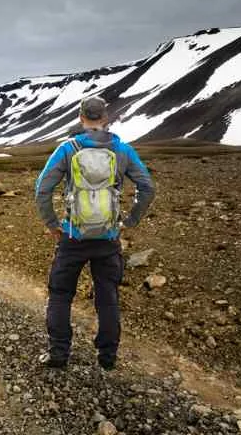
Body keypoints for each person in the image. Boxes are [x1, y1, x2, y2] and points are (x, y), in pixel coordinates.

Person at [34, 96, 155, 370]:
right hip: (108, 238)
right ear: (106, 118)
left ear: (81, 118)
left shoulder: (67, 149)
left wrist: (52, 224)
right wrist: (130, 220)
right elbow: (147, 188)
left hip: (72, 237)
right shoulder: (122, 150)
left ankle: (58, 354)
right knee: (107, 297)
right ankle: (108, 357)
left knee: (61, 294)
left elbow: (42, 189)